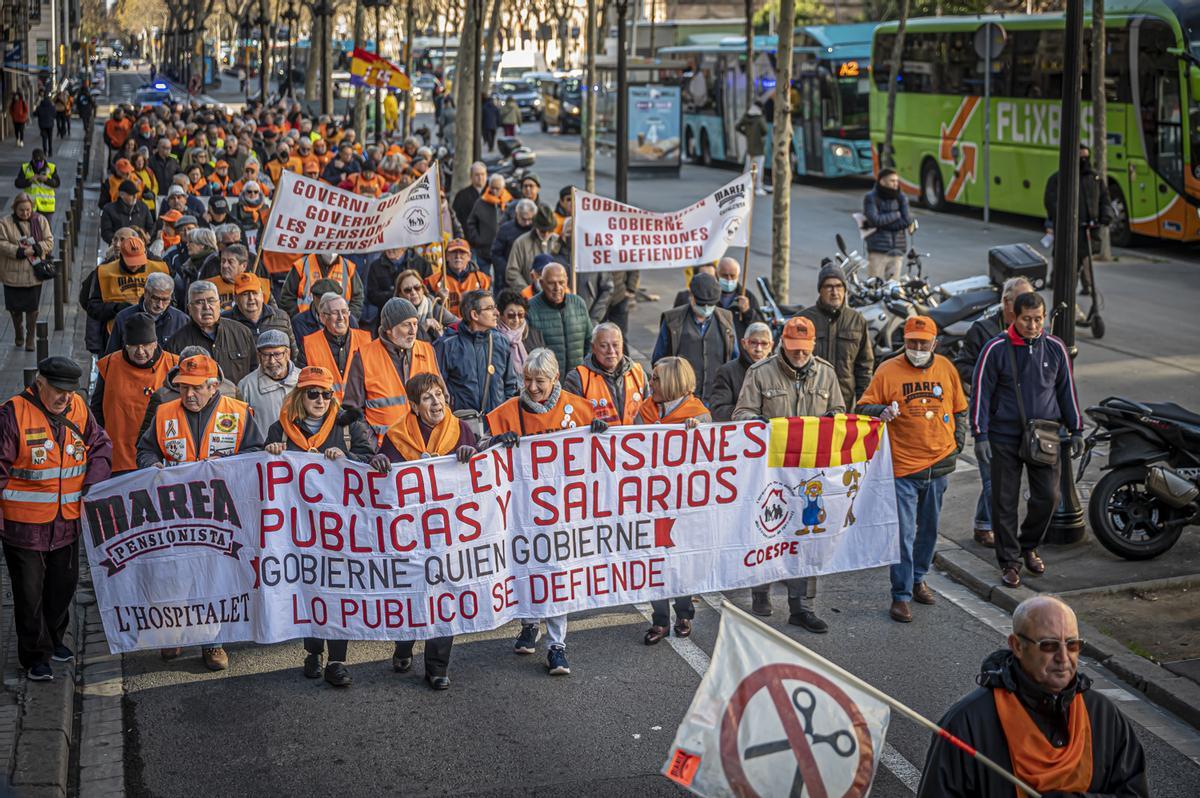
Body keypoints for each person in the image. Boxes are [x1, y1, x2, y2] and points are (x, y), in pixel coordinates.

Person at [917, 596, 1148, 797]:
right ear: (1017, 646)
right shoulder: (966, 725)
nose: (1064, 657)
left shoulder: (1103, 716)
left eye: (1073, 644)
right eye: (1049, 645)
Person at [136, 354, 263, 670]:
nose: (188, 395)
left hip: (219, 513)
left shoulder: (239, 413)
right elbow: (145, 449)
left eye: (195, 388)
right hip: (173, 511)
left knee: (212, 578)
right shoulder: (164, 412)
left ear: (213, 385)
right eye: (182, 388)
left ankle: (213, 643)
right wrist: (151, 465)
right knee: (172, 574)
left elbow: (255, 454)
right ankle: (171, 635)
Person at [486, 348, 598, 676]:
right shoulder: (506, 414)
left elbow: (601, 457)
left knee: (556, 571)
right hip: (521, 510)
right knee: (524, 565)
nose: (532, 387)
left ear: (555, 379)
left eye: (540, 381)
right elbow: (485, 456)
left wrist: (601, 432)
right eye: (527, 380)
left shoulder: (579, 411)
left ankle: (557, 645)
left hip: (562, 511)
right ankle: (529, 622)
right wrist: (495, 442)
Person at [0, 357, 111, 681]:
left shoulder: (78, 408)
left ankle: (55, 638)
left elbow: (100, 445)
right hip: (25, 527)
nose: (65, 397)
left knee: (63, 587)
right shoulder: (13, 414)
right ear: (40, 383)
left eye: (70, 391)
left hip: (67, 521)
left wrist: (92, 483)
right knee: (29, 594)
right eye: (59, 391)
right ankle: (35, 656)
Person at [265, 366, 374, 687]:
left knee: (338, 590)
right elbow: (263, 472)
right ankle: (312, 652)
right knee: (309, 587)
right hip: (298, 528)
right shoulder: (280, 430)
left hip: (339, 526)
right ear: (300, 395)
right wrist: (271, 453)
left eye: (326, 394)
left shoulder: (350, 424)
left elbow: (372, 459)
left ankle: (337, 660)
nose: (320, 399)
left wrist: (348, 455)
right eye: (313, 393)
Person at [734, 317, 844, 632]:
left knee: (806, 537)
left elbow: (838, 409)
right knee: (767, 530)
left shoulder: (826, 373)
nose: (799, 355)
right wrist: (762, 425)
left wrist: (835, 418)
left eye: (804, 349)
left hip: (810, 473)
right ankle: (761, 590)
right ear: (783, 343)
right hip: (770, 472)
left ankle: (802, 606)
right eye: (793, 349)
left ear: (813, 346)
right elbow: (742, 413)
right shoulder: (759, 373)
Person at [371, 372, 480, 690]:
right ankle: (404, 644)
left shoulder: (461, 431)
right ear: (414, 406)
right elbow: (386, 475)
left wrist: (471, 456)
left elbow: (479, 475)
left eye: (440, 394)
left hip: (450, 530)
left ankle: (437, 666)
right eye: (428, 397)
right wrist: (378, 460)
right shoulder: (397, 435)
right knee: (413, 590)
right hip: (412, 531)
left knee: (445, 593)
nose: (437, 402)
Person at [857, 316, 967, 623]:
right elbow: (862, 406)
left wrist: (957, 442)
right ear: (904, 342)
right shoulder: (887, 370)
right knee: (903, 534)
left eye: (923, 343)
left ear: (934, 343)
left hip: (939, 464)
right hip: (903, 467)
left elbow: (959, 408)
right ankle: (901, 595)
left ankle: (919, 577)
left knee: (929, 530)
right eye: (912, 343)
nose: (917, 348)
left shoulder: (946, 368)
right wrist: (880, 411)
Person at [970, 292, 1083, 588]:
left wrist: (1077, 428)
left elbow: (1066, 391)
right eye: (1026, 319)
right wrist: (980, 434)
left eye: (1038, 319)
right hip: (1003, 436)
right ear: (1014, 318)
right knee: (1004, 500)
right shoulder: (995, 349)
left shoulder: (1055, 348)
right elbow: (980, 393)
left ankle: (1028, 545)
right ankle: (1009, 562)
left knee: (1049, 497)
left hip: (1044, 436)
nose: (1033, 325)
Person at [954, 277, 1035, 548]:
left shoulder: (1033, 328)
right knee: (994, 477)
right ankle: (989, 527)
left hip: (1025, 417)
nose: (1029, 307)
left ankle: (984, 523)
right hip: (991, 416)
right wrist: (988, 376)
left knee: (1008, 478)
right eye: (1023, 300)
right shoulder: (983, 330)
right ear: (1007, 302)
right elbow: (962, 366)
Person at [635, 356, 709, 643]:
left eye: (655, 378)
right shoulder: (645, 411)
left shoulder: (699, 415)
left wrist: (697, 434)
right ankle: (660, 620)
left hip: (683, 503)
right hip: (652, 500)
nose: (650, 383)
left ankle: (684, 614)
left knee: (681, 561)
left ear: (673, 382)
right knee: (655, 560)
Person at [92, 313, 179, 474]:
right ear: (125, 344)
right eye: (134, 345)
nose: (140, 351)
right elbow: (96, 409)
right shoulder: (110, 364)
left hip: (159, 460)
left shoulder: (174, 365)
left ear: (155, 343)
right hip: (118, 459)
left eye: (146, 345)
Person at [343, 297, 440, 439]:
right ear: (389, 329)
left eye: (415, 323)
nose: (413, 331)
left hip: (426, 446)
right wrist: (372, 447)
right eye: (406, 325)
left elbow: (444, 399)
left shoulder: (427, 350)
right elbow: (353, 411)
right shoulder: (364, 356)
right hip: (384, 452)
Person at [652, 273, 737, 405]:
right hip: (681, 401)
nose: (706, 309)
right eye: (701, 304)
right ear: (691, 296)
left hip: (717, 400)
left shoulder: (726, 320)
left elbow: (734, 358)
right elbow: (658, 360)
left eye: (710, 305)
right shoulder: (672, 321)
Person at [799, 263, 874, 406]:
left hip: (844, 402)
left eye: (839, 286)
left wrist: (863, 403)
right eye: (829, 286)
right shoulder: (804, 320)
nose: (835, 292)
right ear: (820, 290)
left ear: (845, 289)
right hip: (809, 402)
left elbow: (864, 366)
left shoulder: (857, 321)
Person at [434, 290, 518, 417]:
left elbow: (510, 386)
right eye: (490, 308)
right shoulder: (446, 345)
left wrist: (505, 417)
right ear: (474, 314)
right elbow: (437, 390)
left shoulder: (501, 341)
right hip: (461, 426)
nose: (497, 313)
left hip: (497, 425)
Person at [1044, 143, 1113, 295]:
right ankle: (1061, 285)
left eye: (1085, 158)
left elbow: (1104, 200)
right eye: (1080, 158)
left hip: (1089, 229)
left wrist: (1105, 216)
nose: (1083, 161)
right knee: (1065, 259)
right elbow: (1051, 201)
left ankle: (1087, 285)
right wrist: (1064, 218)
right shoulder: (1058, 179)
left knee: (1086, 258)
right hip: (1068, 229)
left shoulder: (1094, 179)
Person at [164, 281, 258, 384]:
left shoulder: (242, 333)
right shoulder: (175, 344)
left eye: (211, 301)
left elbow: (254, 375)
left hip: (236, 399)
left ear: (219, 303)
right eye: (199, 302)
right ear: (189, 308)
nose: (206, 307)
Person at [87, 235, 169, 344]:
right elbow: (93, 308)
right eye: (131, 261)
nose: (135, 265)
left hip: (154, 333)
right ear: (121, 256)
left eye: (138, 260)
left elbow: (173, 301)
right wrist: (116, 308)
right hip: (117, 334)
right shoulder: (104, 273)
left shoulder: (160, 269)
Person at [563, 322, 645, 425]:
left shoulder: (638, 373)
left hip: (635, 440)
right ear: (593, 348)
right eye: (603, 346)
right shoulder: (578, 378)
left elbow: (652, 411)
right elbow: (571, 418)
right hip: (596, 440)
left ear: (622, 345)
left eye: (615, 345)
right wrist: (590, 424)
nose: (611, 351)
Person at [0, 194, 53, 351]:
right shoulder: (5, 223)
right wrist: (18, 251)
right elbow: (1, 243)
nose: (25, 213)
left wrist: (35, 248)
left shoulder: (40, 221)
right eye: (21, 210)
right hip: (11, 273)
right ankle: (19, 332)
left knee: (32, 308)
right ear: (14, 208)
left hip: (33, 273)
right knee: (14, 308)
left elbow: (49, 241)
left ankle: (30, 337)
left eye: (28, 210)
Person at [298, 293, 371, 401]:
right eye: (335, 313)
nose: (341, 318)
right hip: (324, 412)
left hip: (358, 412)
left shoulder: (366, 340)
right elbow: (303, 386)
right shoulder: (309, 345)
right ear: (322, 318)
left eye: (344, 312)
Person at [104, 271, 189, 354]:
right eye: (155, 298)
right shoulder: (123, 318)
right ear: (145, 292)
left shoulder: (182, 321)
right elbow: (112, 358)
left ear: (171, 296)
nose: (160, 305)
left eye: (165, 299)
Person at [237, 330, 300, 439]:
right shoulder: (246, 386)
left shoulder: (304, 380)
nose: (272, 361)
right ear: (259, 356)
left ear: (288, 354)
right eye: (266, 355)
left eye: (277, 354)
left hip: (298, 452)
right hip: (262, 453)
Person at [709, 321, 773, 422]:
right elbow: (718, 410)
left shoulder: (778, 371)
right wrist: (749, 416)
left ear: (771, 346)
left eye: (764, 343)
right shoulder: (727, 371)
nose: (758, 349)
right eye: (753, 343)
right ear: (744, 343)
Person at [862, 167, 914, 281]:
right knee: (875, 288)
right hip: (878, 251)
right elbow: (875, 220)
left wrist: (884, 225)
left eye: (897, 181)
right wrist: (896, 215)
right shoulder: (871, 198)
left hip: (897, 251)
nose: (896, 184)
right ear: (882, 181)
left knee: (893, 289)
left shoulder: (901, 198)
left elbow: (907, 220)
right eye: (892, 181)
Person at [280, 251, 364, 321]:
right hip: (307, 324)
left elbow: (357, 298)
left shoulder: (348, 267)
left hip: (339, 324)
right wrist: (297, 318)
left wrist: (349, 319)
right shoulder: (302, 265)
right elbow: (287, 296)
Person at [222, 272, 293, 351]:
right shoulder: (224, 321)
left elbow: (293, 353)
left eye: (255, 293)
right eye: (245, 294)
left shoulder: (282, 318)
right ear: (235, 298)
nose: (251, 298)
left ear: (262, 295)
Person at [424, 239, 491, 317]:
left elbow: (489, 308)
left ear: (469, 256)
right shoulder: (432, 281)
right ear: (447, 256)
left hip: (475, 324)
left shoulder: (483, 279)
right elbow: (428, 310)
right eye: (453, 252)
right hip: (447, 325)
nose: (458, 256)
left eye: (462, 252)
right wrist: (439, 300)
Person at [506, 206, 560, 292]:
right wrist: (528, 291)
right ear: (536, 227)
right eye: (542, 231)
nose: (546, 234)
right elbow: (512, 273)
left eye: (550, 231)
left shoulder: (558, 241)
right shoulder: (521, 243)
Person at [466, 174, 512, 276]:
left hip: (503, 251)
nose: (494, 191)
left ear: (503, 188)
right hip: (484, 250)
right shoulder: (481, 202)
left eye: (497, 188)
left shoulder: (509, 202)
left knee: (501, 280)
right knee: (484, 280)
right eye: (492, 188)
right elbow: (471, 222)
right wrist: (477, 239)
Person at [395, 269, 458, 343]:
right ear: (400, 294)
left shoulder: (432, 305)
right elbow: (402, 341)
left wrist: (444, 332)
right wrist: (424, 326)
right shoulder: (396, 312)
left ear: (423, 289)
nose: (413, 292)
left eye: (417, 287)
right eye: (407, 290)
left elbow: (457, 324)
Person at [494, 289, 544, 379]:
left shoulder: (534, 335)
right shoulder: (494, 338)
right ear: (501, 315)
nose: (516, 320)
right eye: (511, 315)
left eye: (520, 315)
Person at [490, 199, 536, 293]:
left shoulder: (536, 230)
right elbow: (496, 253)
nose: (527, 223)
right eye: (523, 219)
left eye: (530, 219)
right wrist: (508, 270)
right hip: (507, 278)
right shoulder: (505, 229)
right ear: (516, 214)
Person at [713, 257, 761, 339]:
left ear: (738, 276)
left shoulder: (747, 296)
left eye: (732, 275)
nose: (729, 279)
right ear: (717, 274)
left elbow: (759, 327)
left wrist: (747, 311)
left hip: (739, 347)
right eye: (724, 275)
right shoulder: (710, 295)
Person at [211, 244, 270, 310]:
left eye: (230, 262)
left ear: (244, 266)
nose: (225, 265)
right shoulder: (210, 286)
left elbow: (271, 312)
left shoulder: (260, 286)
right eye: (223, 261)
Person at [100, 180, 155, 245]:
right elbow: (106, 232)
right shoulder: (109, 210)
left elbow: (150, 226)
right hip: (117, 249)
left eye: (135, 193)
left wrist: (147, 235)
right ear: (121, 195)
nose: (135, 196)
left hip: (139, 248)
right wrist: (120, 242)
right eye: (131, 194)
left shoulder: (143, 207)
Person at [735, 104, 769, 195]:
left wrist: (746, 133)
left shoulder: (746, 117)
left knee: (747, 168)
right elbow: (765, 130)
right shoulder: (759, 119)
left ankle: (743, 187)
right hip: (759, 148)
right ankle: (758, 187)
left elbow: (737, 127)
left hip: (750, 148)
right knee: (759, 169)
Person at [16, 149, 60, 217]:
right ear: (32, 160)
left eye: (41, 162)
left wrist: (47, 180)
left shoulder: (51, 167)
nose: (38, 164)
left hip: (46, 208)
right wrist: (29, 180)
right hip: (30, 207)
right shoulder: (25, 168)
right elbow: (18, 183)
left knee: (45, 227)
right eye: (36, 162)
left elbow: (57, 183)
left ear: (44, 159)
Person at [454, 162, 488, 230]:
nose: (480, 178)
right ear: (471, 177)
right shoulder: (462, 196)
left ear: (486, 175)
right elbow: (457, 219)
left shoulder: (493, 192)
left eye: (482, 174)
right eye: (477, 175)